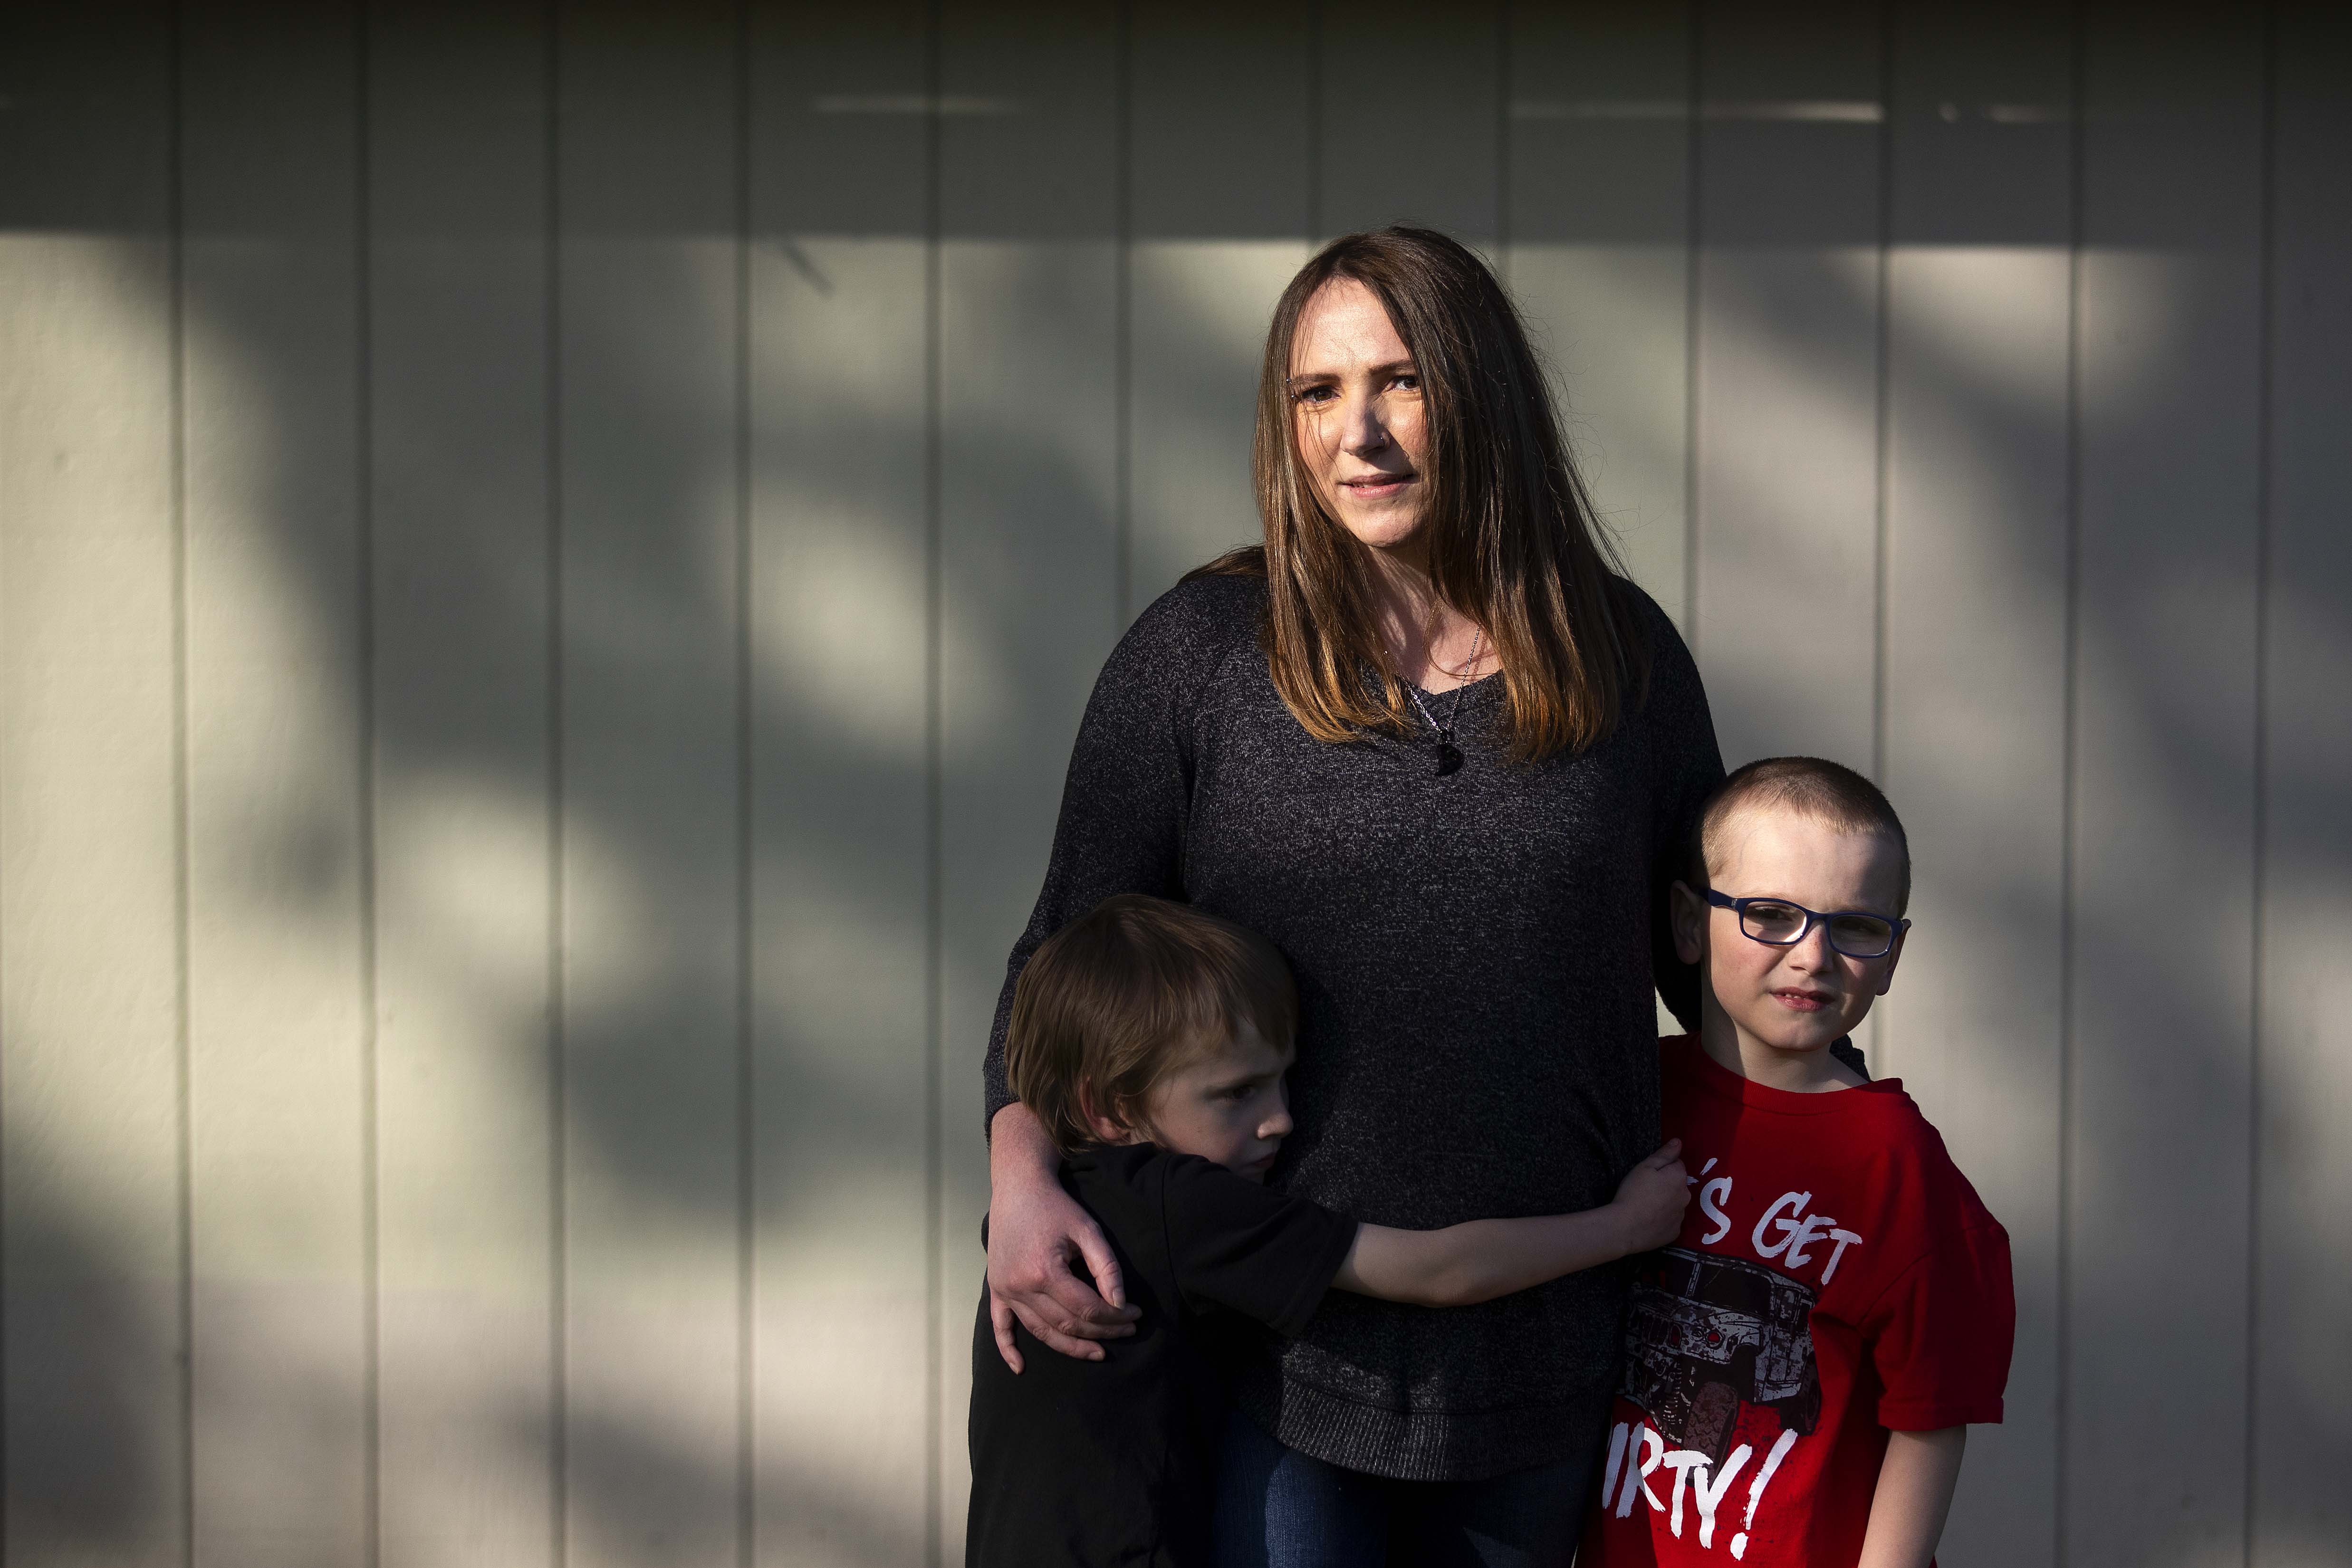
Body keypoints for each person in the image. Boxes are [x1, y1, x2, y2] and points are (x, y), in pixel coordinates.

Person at [981, 223, 1726, 1566]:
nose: (1356, 433)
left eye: (1399, 381)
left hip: (1553, 1364)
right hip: (1279, 1365)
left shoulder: (1620, 658)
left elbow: (1709, 969)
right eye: (1315, 394)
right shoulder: (1198, 653)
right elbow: (1060, 962)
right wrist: (1018, 1178)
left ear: (1479, 392)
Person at [969, 894, 1692, 1568]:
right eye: (1236, 1093)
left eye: (1283, 1081)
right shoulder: (1183, 1206)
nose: (1280, 1118)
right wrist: (1622, 1227)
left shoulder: (1056, 1208)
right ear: (1111, 1109)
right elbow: (1438, 1271)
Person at [1580, 758, 2014, 1568]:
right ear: (1686, 923)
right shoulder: (1634, 1100)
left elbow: (1928, 1420)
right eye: (1769, 914)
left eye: (1853, 927)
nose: (1810, 955)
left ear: (1891, 954)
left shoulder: (1900, 1172)